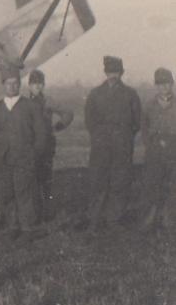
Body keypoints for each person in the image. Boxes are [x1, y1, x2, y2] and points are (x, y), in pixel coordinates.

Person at [0, 67, 49, 242]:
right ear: (3, 85)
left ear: (20, 85)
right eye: (8, 84)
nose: (11, 87)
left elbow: (41, 135)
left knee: (24, 193)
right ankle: (13, 226)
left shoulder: (30, 107)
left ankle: (27, 229)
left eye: (15, 83)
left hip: (24, 160)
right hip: (3, 162)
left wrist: (33, 155)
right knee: (7, 194)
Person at [81, 56, 142, 232]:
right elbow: (89, 120)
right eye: (109, 72)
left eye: (116, 72)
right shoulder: (95, 93)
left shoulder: (131, 94)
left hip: (122, 145)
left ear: (121, 73)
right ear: (105, 73)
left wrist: (123, 136)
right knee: (98, 180)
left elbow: (136, 122)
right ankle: (95, 219)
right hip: (101, 146)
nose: (112, 75)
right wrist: (100, 136)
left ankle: (114, 219)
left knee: (119, 181)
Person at [27, 69, 73, 223]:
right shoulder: (24, 103)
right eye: (34, 83)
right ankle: (34, 213)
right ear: (29, 86)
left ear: (44, 85)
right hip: (30, 146)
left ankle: (47, 212)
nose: (37, 86)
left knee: (46, 179)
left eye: (40, 83)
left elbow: (68, 112)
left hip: (46, 146)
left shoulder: (49, 100)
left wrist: (57, 127)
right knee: (31, 179)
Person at [139, 67, 176, 233]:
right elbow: (144, 128)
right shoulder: (149, 105)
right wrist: (150, 144)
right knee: (152, 183)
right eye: (160, 85)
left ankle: (168, 216)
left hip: (173, 148)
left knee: (172, 183)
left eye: (167, 84)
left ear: (172, 85)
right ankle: (151, 216)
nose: (164, 88)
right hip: (154, 150)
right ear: (156, 86)